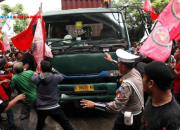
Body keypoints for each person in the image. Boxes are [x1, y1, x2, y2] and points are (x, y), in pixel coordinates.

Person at [81, 49, 144, 130]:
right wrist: (112, 61)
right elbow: (123, 66)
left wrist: (94, 104)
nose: (118, 65)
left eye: (119, 64)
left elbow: (116, 107)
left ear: (123, 67)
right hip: (139, 114)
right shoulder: (135, 72)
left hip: (128, 119)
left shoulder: (126, 85)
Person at [31, 60, 74, 130]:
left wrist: (35, 73)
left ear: (41, 69)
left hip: (41, 107)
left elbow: (32, 78)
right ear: (51, 68)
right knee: (65, 124)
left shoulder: (37, 78)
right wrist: (53, 69)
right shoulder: (56, 78)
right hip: (54, 106)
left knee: (40, 125)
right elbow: (61, 76)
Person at [141, 61, 180, 130]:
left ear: (150, 83)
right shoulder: (153, 100)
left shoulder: (172, 119)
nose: (142, 80)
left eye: (143, 77)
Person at [10, 62, 37, 130]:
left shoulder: (14, 78)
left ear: (15, 70)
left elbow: (11, 89)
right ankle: (43, 123)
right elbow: (36, 74)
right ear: (22, 68)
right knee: (39, 111)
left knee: (24, 116)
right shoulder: (30, 72)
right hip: (36, 97)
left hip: (26, 99)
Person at [0, 58, 16, 130]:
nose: (7, 63)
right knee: (8, 109)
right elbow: (12, 77)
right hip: (4, 93)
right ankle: (11, 125)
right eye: (6, 62)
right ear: (3, 65)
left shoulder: (4, 72)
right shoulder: (7, 73)